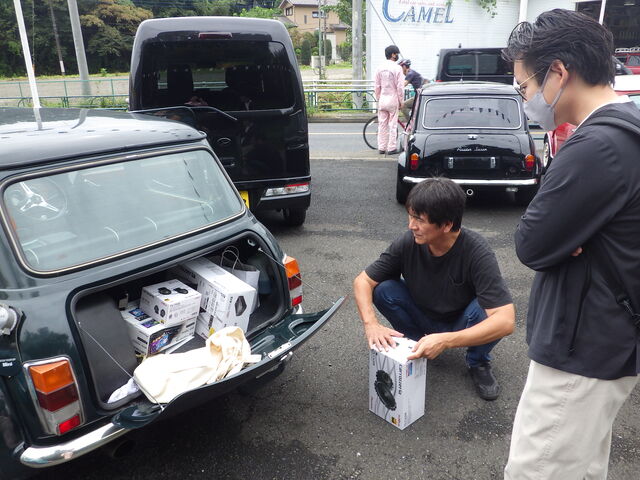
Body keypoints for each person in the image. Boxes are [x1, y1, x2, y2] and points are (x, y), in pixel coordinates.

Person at [502, 9, 640, 479]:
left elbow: (531, 243)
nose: (525, 99)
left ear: (559, 72)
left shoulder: (597, 147)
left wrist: (566, 234)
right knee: (581, 467)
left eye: (524, 86)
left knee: (537, 469)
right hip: (608, 338)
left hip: (581, 346)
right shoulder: (628, 125)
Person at [353, 178, 515, 400]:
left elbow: (506, 321)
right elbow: (362, 281)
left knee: (487, 309)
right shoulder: (408, 242)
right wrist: (371, 324)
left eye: (419, 220)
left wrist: (446, 340)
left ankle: (477, 361)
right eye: (411, 216)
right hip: (423, 314)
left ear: (446, 225)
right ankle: (418, 344)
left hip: (461, 321)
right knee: (384, 289)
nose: (411, 226)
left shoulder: (477, 252)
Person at [374, 45, 404, 155]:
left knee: (382, 124)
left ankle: (381, 147)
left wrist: (378, 98)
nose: (397, 56)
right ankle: (391, 148)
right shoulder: (397, 68)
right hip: (393, 99)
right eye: (397, 54)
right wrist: (401, 101)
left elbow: (377, 86)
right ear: (393, 54)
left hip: (382, 99)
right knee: (392, 125)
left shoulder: (379, 68)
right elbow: (400, 87)